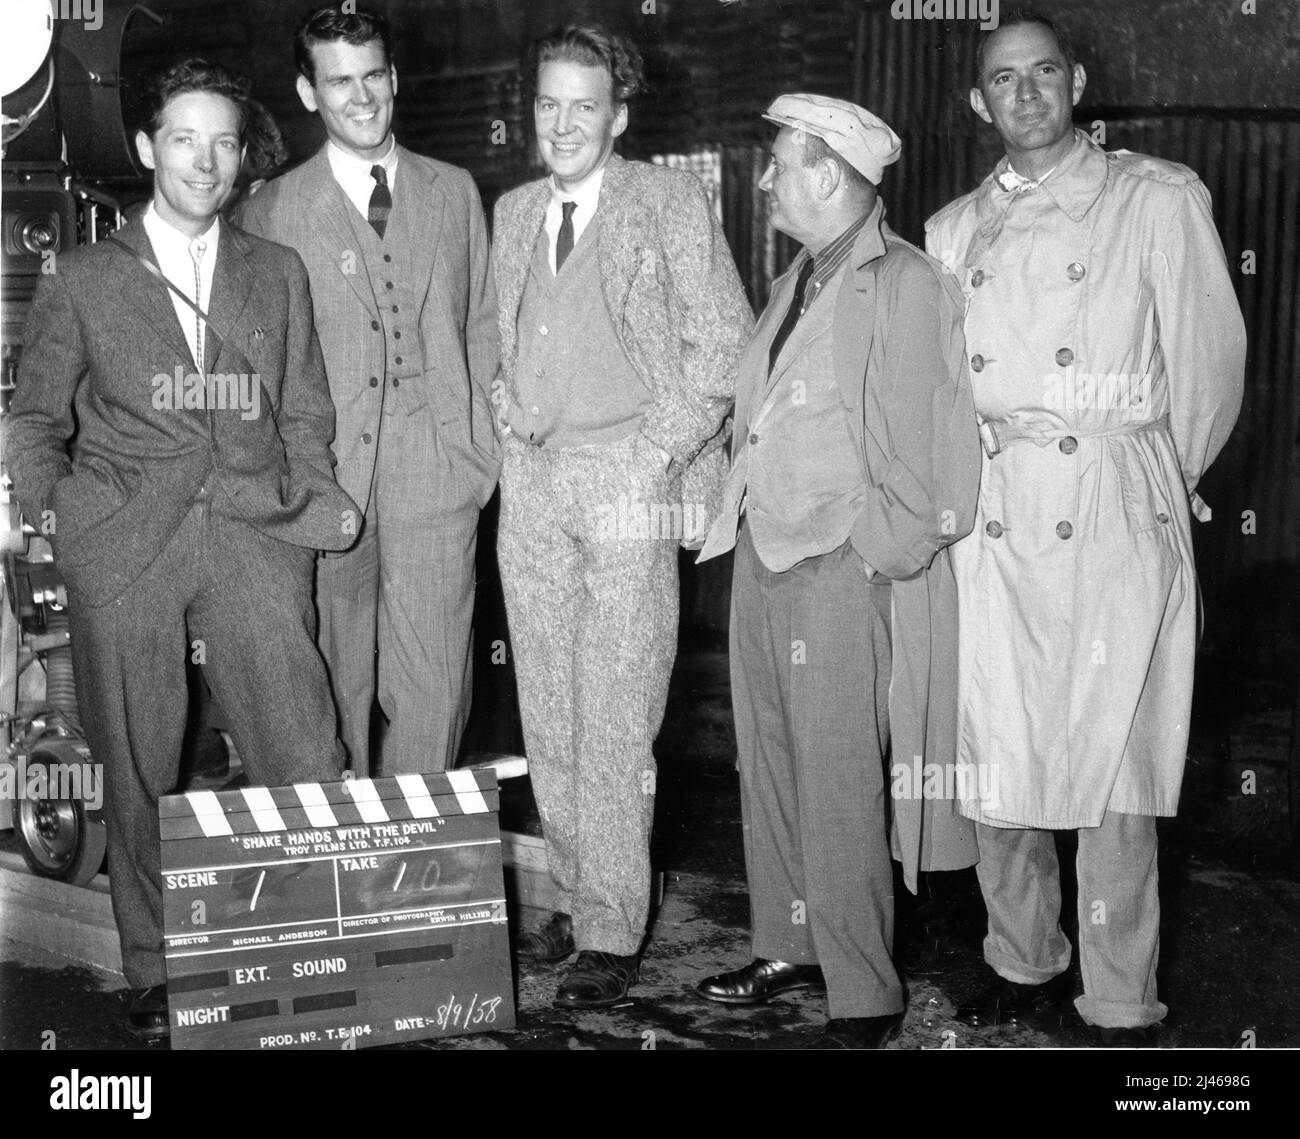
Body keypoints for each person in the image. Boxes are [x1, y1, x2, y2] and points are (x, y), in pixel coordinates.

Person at [4, 59, 355, 1040]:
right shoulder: (83, 277)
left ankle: (312, 948)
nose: (206, 160)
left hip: (252, 536)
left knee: (302, 742)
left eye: (226, 141)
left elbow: (306, 413)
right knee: (140, 762)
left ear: (243, 159)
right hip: (127, 548)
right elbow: (34, 423)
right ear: (151, 147)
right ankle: (156, 965)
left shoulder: (275, 274)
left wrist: (310, 509)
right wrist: (63, 518)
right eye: (186, 139)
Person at [924, 10, 1246, 1045]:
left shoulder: (1154, 199)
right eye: (1001, 80)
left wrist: (1150, 479)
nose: (1023, 94)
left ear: (1078, 82)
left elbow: (1207, 368)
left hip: (1109, 505)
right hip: (997, 514)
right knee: (998, 766)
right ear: (979, 103)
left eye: (1042, 73)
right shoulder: (949, 231)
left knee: (1114, 772)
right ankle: (1022, 960)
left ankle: (1116, 998)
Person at [695, 93, 981, 1048]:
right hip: (764, 553)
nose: (768, 179)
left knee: (840, 776)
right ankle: (790, 942)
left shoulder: (904, 283)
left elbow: (933, 461)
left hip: (839, 568)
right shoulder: (799, 281)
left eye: (781, 163)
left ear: (829, 174)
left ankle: (864, 989)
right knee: (769, 764)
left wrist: (870, 559)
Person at [492, 24, 752, 1008]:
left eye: (583, 106)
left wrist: (653, 456)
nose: (563, 123)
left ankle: (610, 924)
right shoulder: (513, 209)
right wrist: (502, 403)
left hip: (628, 484)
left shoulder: (667, 199)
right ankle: (574, 886)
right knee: (548, 705)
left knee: (616, 710)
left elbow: (723, 342)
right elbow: (495, 331)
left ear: (620, 116)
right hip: (535, 487)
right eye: (548, 104)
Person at [241, 4, 500, 777]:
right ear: (308, 91)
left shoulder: (453, 192)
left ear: (395, 77)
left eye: (374, 76)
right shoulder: (270, 209)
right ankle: (343, 867)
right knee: (332, 681)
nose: (362, 97)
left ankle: (415, 866)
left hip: (437, 468)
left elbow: (482, 324)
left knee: (435, 684)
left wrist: (475, 454)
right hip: (326, 479)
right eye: (339, 81)